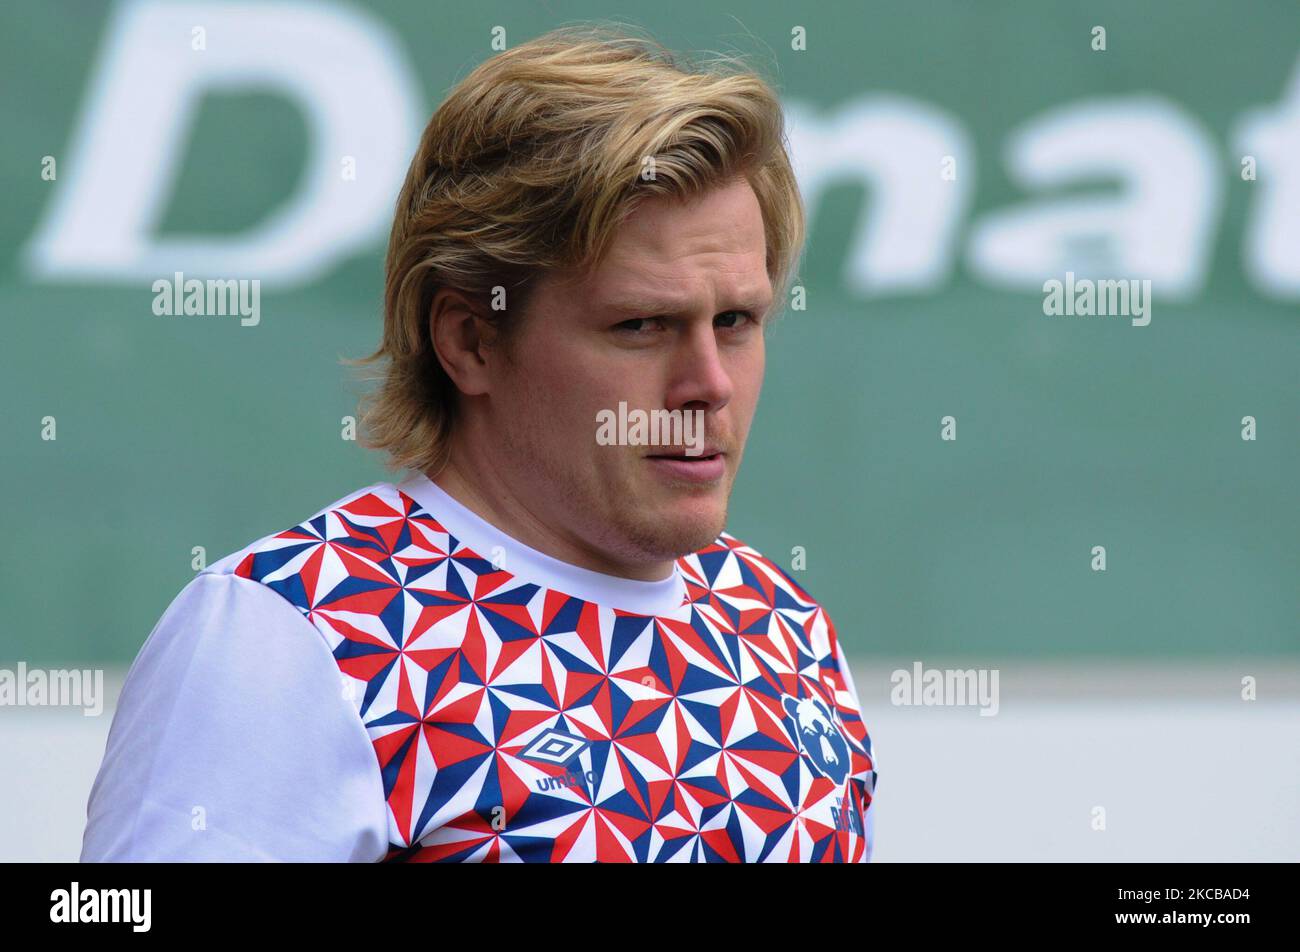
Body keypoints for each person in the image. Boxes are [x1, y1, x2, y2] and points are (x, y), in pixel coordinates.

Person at [82, 25, 878, 863]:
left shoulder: (783, 627)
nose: (708, 382)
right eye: (641, 324)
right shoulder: (289, 633)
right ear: (470, 341)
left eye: (736, 321)